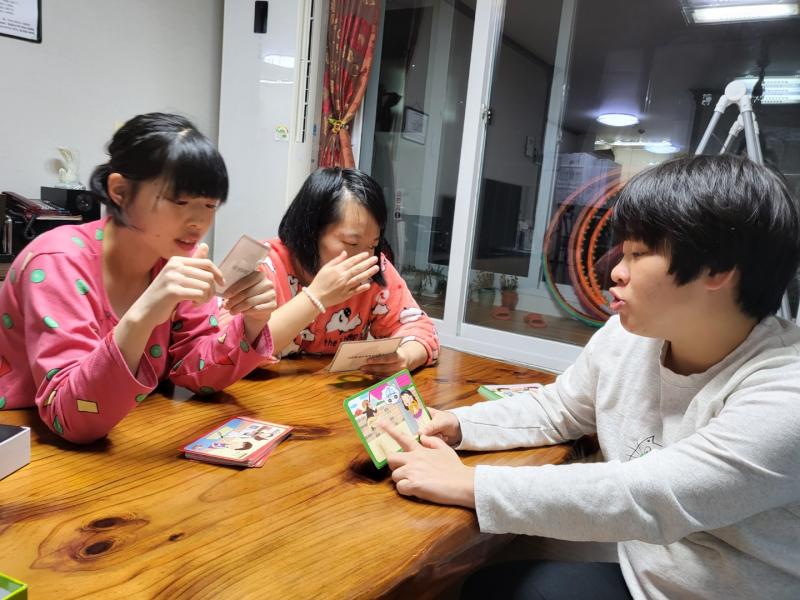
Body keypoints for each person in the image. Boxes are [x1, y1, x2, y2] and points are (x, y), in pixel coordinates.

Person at [379, 154, 800, 599]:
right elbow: (560, 407)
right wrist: (460, 425)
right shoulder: (628, 336)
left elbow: (652, 496)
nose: (615, 270)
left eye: (638, 254)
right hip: (643, 574)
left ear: (716, 270)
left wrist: (469, 483)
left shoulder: (785, 393)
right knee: (487, 585)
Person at [0, 113, 276, 444]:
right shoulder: (56, 262)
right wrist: (143, 316)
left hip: (134, 427)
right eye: (180, 201)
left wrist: (252, 324)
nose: (198, 222)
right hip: (24, 438)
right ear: (120, 191)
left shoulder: (176, 259)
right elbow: (74, 417)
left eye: (209, 205)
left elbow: (194, 373)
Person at [236, 167, 439, 375]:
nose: (364, 258)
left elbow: (420, 328)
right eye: (352, 243)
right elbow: (233, 349)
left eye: (373, 245)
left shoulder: (374, 267)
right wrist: (317, 297)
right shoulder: (263, 265)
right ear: (312, 232)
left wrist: (405, 357)